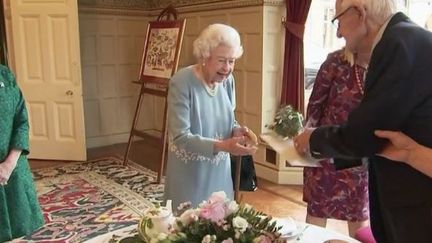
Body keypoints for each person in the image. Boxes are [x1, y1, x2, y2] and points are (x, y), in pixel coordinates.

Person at [293, 0, 432, 242]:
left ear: (359, 12)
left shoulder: (397, 43)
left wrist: (313, 139)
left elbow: (369, 133)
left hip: (416, 204)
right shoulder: (404, 39)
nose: (337, 32)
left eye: (338, 21)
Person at [163, 23, 257, 209]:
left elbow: (229, 119)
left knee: (219, 227)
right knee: (187, 231)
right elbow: (180, 137)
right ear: (205, 56)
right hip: (190, 176)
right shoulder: (181, 82)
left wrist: (238, 131)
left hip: (219, 174)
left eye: (232, 61)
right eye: (222, 60)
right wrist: (224, 146)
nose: (227, 68)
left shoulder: (228, 81)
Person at [303, 47, 369, 237]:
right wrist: (309, 140)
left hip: (359, 151)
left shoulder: (383, 64)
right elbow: (315, 105)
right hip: (327, 149)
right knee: (318, 209)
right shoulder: (336, 62)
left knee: (358, 212)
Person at [0, 65, 44, 241]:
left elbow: (22, 121)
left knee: (20, 230)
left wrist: (9, 164)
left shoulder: (5, 76)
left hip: (13, 172)